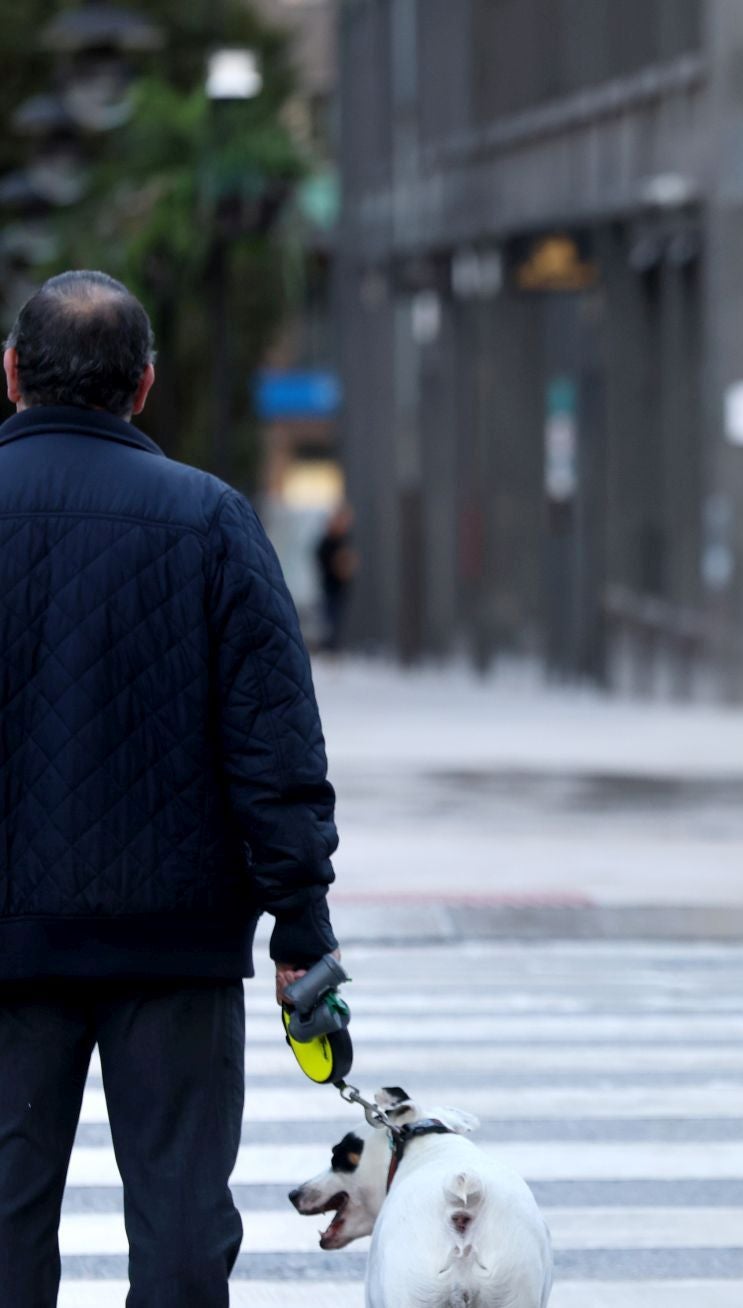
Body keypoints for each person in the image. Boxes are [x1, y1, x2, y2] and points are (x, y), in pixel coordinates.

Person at [0, 271, 341, 1308]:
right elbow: (274, 746)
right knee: (184, 1219)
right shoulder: (210, 521)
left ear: (12, 374)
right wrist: (302, 925)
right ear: (143, 386)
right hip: (176, 939)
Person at [315, 500, 358, 653]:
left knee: (337, 618)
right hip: (330, 586)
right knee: (329, 619)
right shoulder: (329, 540)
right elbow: (321, 557)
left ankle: (334, 646)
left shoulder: (344, 538)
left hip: (341, 586)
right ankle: (329, 647)